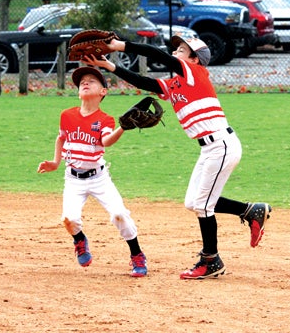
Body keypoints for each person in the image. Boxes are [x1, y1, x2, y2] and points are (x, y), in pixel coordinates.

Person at [81, 35, 271, 280]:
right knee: (194, 201)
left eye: (181, 50)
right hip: (210, 149)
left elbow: (158, 55)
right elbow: (144, 82)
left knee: (203, 205)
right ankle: (250, 211)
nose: (175, 53)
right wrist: (112, 67)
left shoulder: (195, 73)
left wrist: (121, 46)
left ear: (194, 60)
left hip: (221, 145)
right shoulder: (176, 85)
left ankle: (211, 260)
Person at [37, 66, 147, 277]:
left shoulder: (105, 120)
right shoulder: (67, 115)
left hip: (98, 178)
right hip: (73, 178)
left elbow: (106, 141)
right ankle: (79, 240)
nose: (85, 83)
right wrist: (55, 161)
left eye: (92, 81)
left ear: (103, 92)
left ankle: (137, 254)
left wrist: (123, 128)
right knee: (69, 219)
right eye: (82, 82)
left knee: (119, 214)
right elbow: (61, 138)